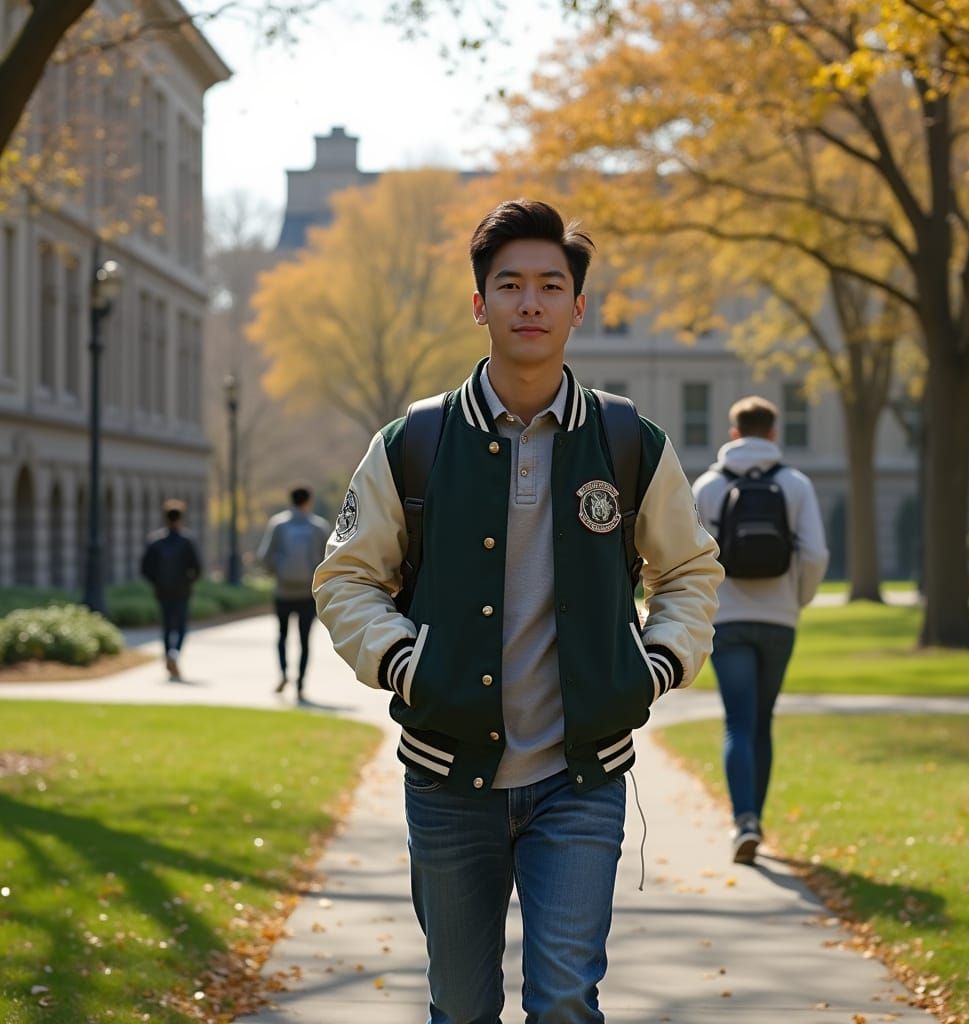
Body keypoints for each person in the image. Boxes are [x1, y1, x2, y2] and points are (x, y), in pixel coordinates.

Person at [314, 198, 723, 1023]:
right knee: (461, 1008)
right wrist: (406, 665)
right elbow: (347, 578)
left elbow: (688, 570)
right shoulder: (414, 442)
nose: (529, 303)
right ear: (480, 305)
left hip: (581, 776)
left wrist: (654, 666)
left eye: (549, 286)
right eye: (509, 286)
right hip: (446, 777)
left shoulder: (627, 440)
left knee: (565, 1000)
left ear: (578, 306)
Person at [692, 396, 829, 865]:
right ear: (773, 433)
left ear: (733, 433)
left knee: (737, 721)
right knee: (762, 722)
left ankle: (744, 820)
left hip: (727, 619)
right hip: (779, 619)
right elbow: (815, 554)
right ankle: (756, 820)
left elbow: (691, 558)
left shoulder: (708, 485)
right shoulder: (796, 484)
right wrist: (798, 598)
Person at [257, 485, 331, 699]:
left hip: (283, 591)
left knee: (282, 635)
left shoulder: (278, 524)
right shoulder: (318, 526)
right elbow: (328, 560)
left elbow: (265, 556)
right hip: (307, 593)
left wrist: (276, 572)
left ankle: (283, 673)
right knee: (304, 640)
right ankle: (300, 684)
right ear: (308, 501)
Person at [141, 498, 202, 681]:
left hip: (163, 590)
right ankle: (174, 654)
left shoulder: (156, 541)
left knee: (167, 626)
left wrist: (156, 582)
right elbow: (197, 568)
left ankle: (169, 654)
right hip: (182, 590)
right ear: (180, 518)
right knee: (181, 626)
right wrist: (189, 582)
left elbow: (145, 568)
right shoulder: (186, 541)